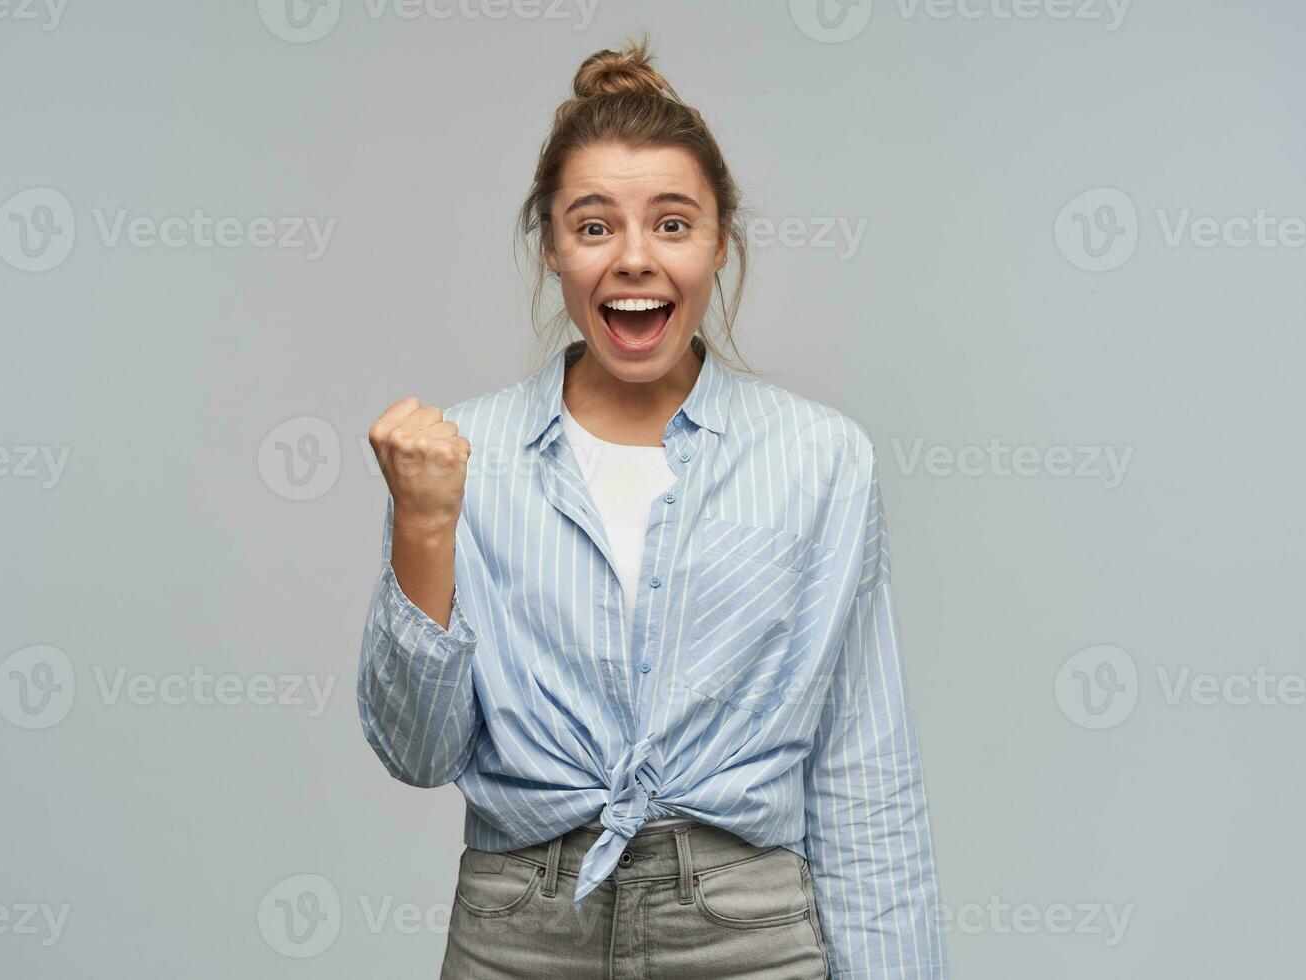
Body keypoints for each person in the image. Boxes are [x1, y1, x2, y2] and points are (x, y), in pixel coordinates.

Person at [358, 33, 949, 980]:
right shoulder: (455, 457)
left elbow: (862, 767)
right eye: (594, 227)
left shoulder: (820, 459)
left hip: (747, 934)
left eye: (673, 224)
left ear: (721, 243)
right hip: (519, 929)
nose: (634, 257)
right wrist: (423, 524)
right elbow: (420, 755)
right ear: (552, 247)